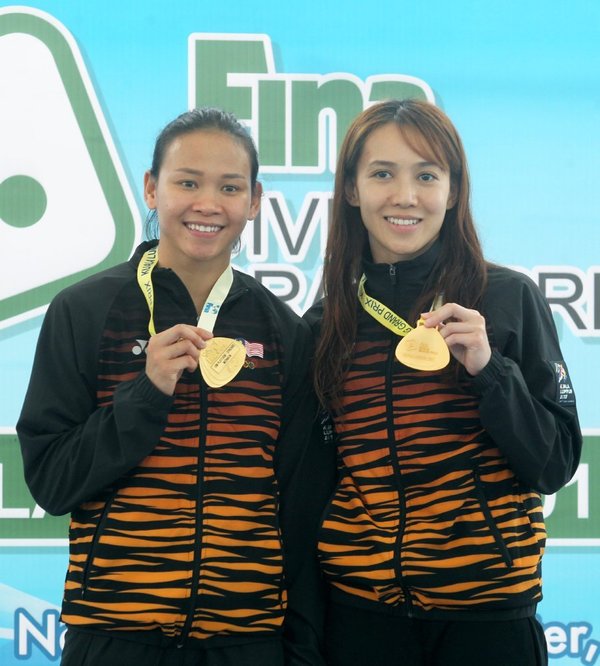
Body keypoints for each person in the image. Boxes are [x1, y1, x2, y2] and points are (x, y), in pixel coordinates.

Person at [17, 107, 326, 665]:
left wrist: (299, 649)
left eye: (229, 187)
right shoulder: (85, 311)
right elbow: (52, 482)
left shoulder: (283, 331)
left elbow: (300, 507)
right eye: (187, 182)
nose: (207, 204)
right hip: (115, 635)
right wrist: (146, 393)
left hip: (246, 641)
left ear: (254, 201)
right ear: (152, 189)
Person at [305, 99, 582, 666]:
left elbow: (553, 464)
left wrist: (489, 369)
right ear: (352, 190)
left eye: (426, 175)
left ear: (453, 191)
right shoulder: (327, 323)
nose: (404, 195)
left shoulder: (507, 299)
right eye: (382, 173)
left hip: (487, 621)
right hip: (361, 619)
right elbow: (313, 480)